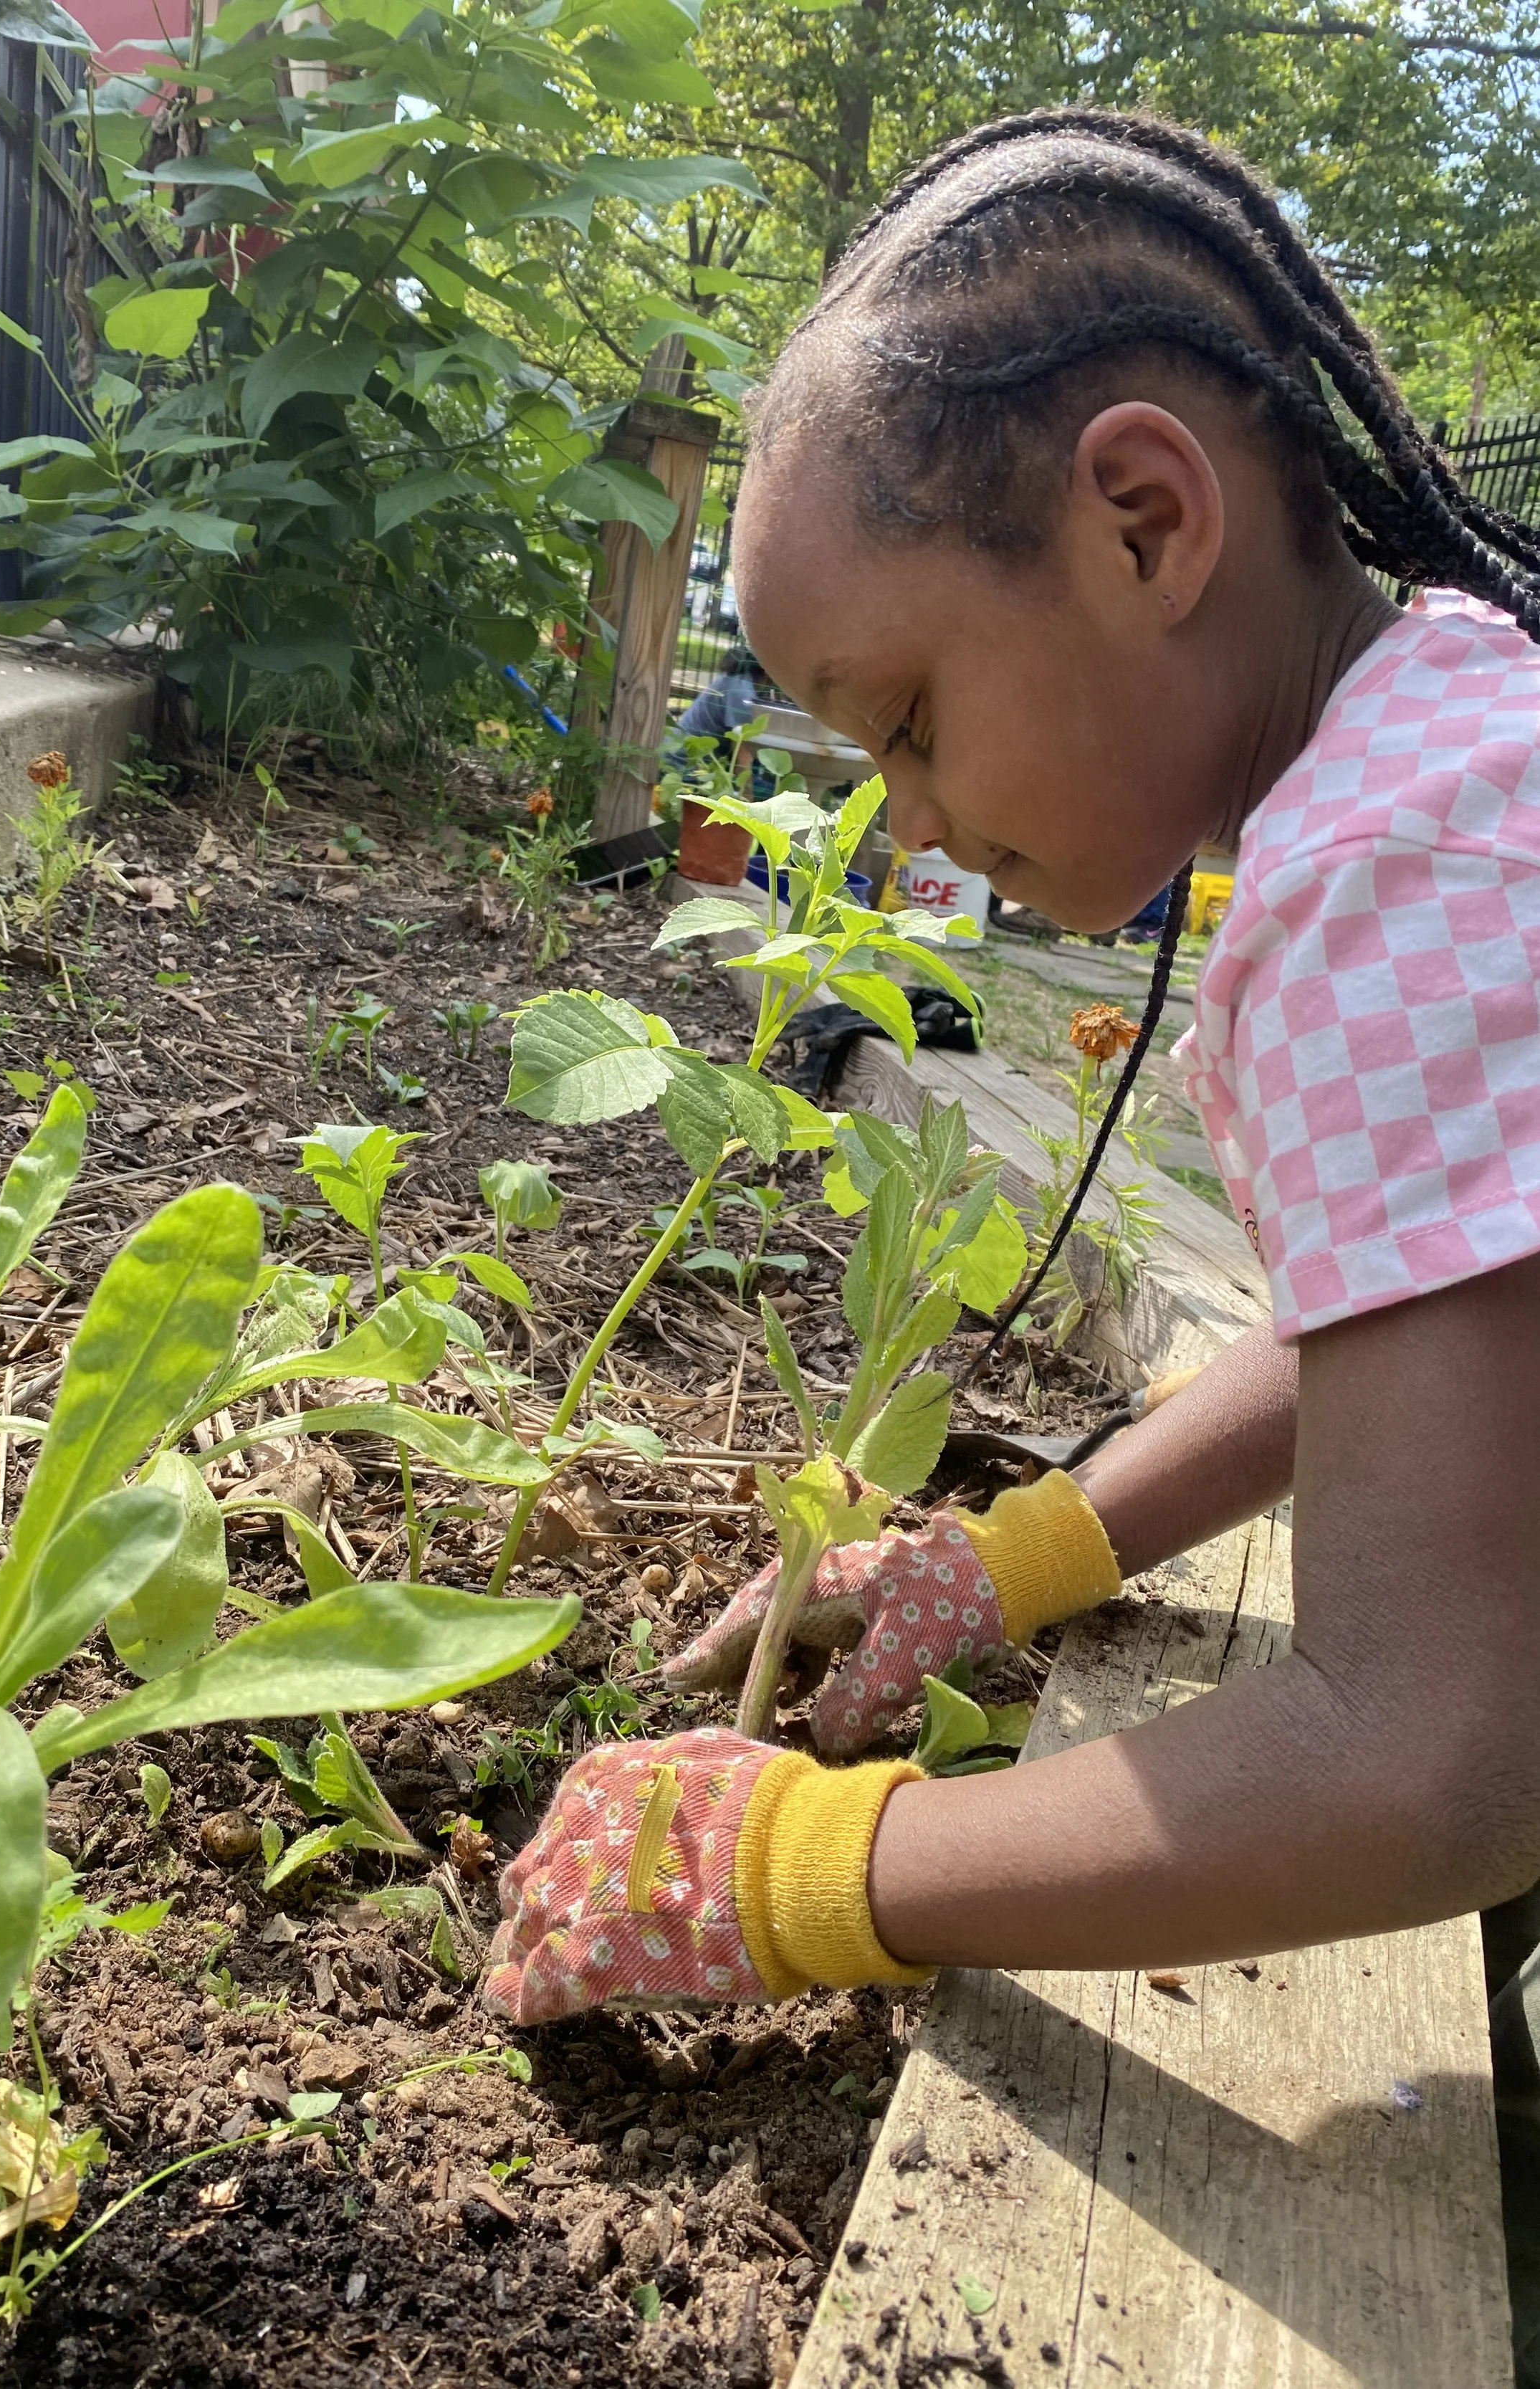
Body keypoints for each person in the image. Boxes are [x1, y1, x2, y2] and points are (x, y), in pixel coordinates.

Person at [483, 109, 1540, 2375]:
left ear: (1142, 519)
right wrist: (1020, 1558)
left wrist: (806, 1867)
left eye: (907, 722)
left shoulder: (1402, 872)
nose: (909, 824)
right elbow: (1409, 1317)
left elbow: (1433, 1751)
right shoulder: (1446, 745)